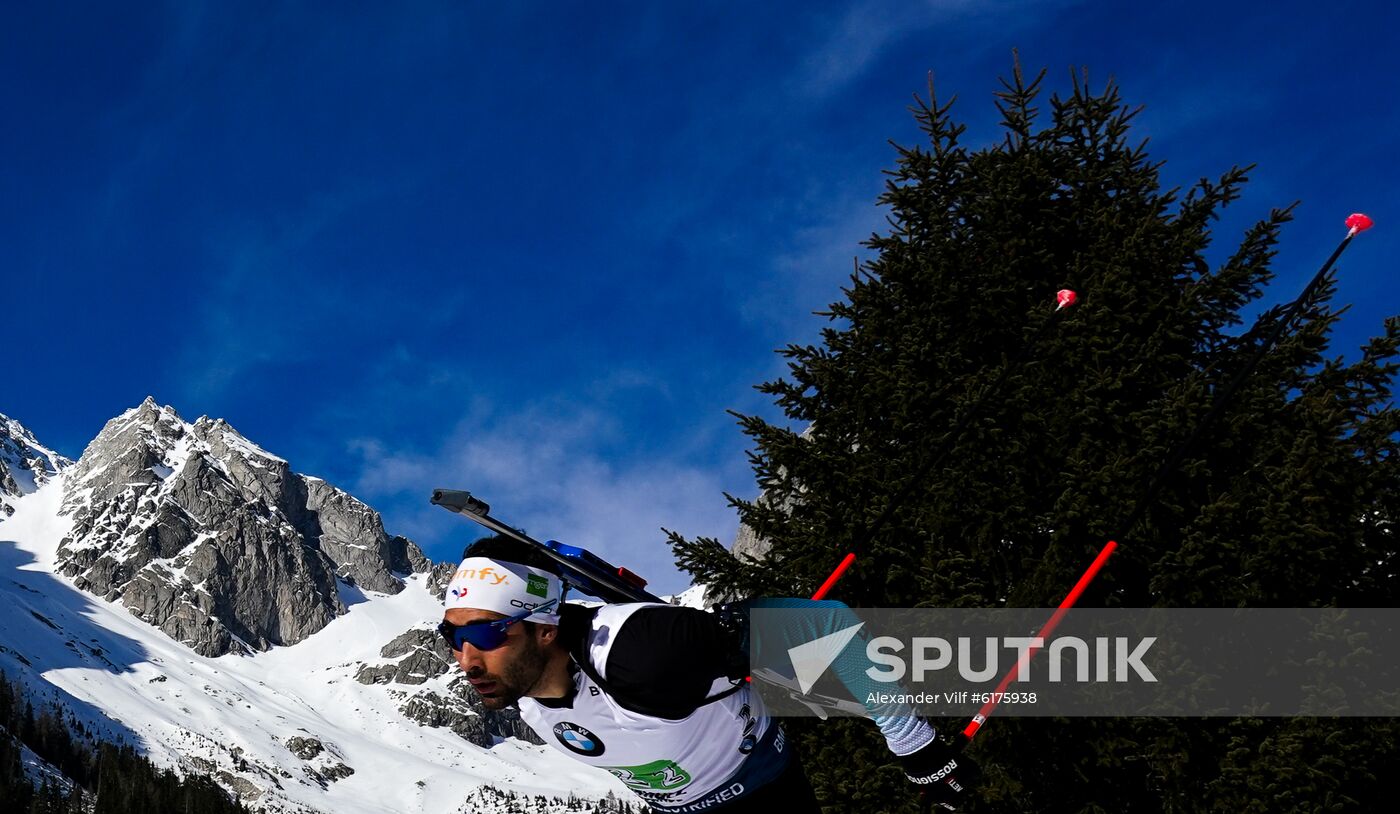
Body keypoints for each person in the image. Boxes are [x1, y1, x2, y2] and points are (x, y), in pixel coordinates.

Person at [438, 536, 979, 812]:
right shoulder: (512, 683)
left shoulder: (642, 651)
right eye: (453, 638)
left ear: (545, 630)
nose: (466, 659)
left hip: (761, 791)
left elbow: (824, 620)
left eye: (484, 635)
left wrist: (916, 746)